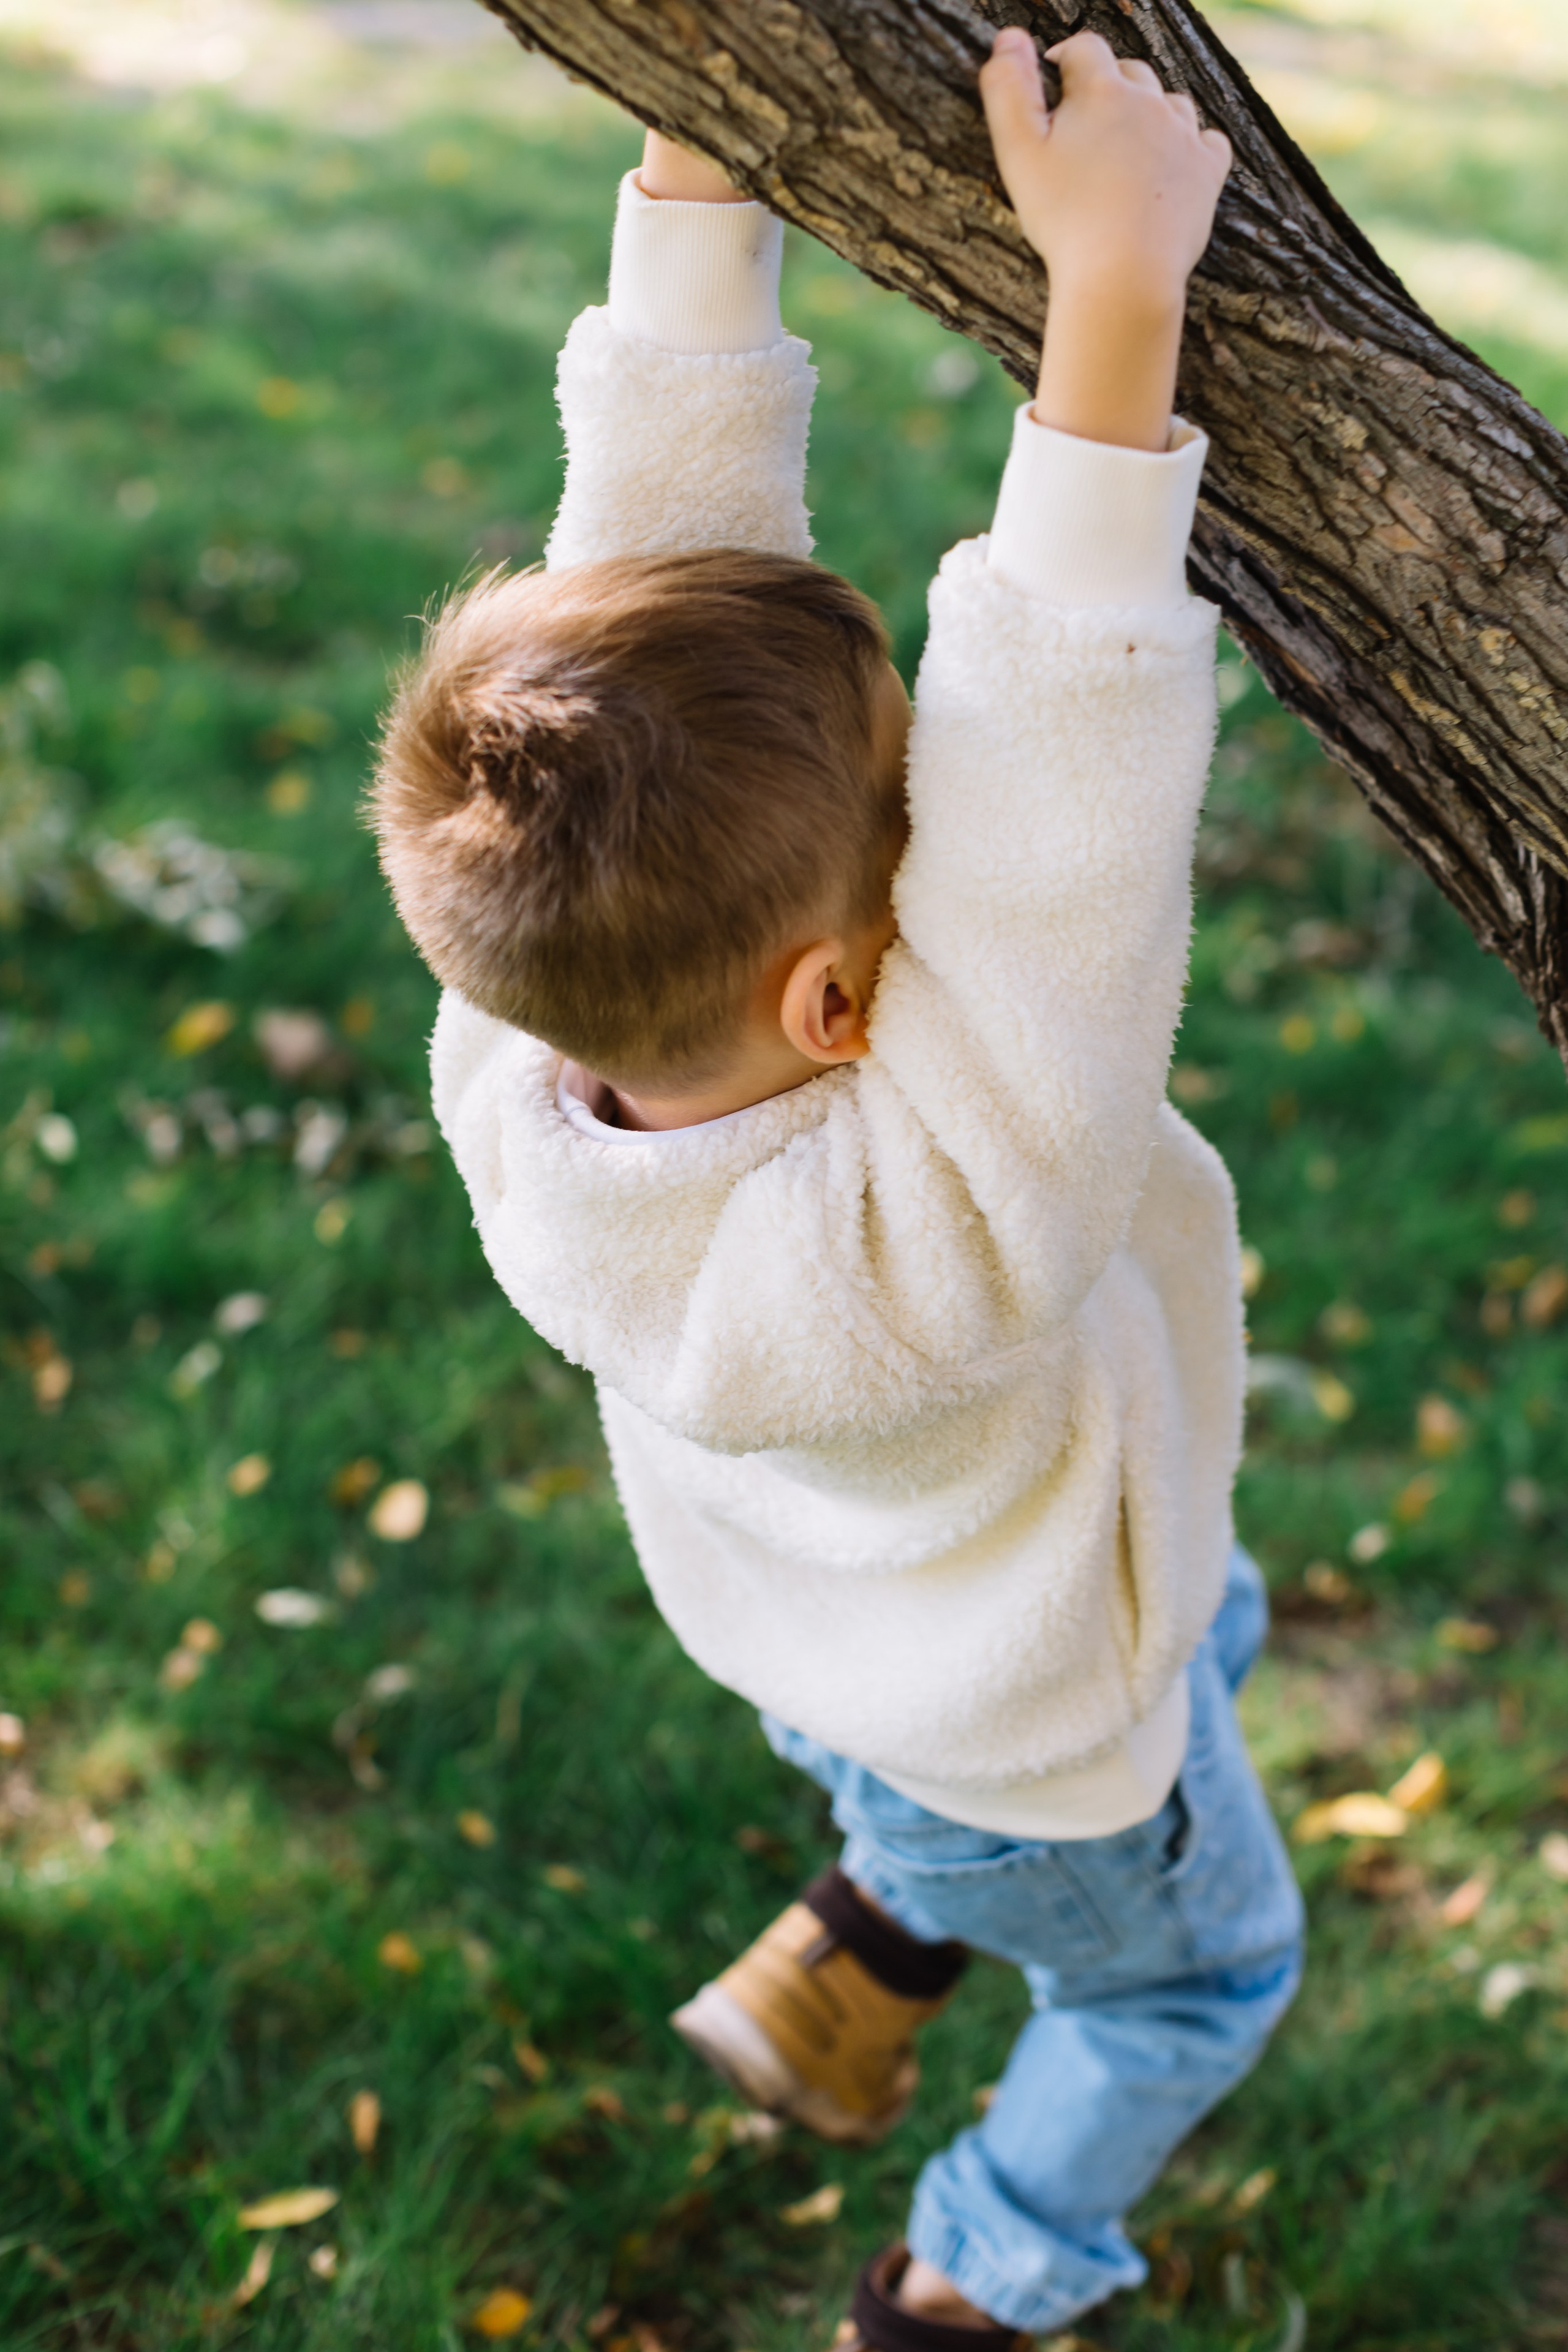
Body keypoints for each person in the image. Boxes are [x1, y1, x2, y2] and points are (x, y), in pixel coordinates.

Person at [371, 27, 1305, 2345]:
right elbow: (1066, 815)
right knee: (1195, 1981)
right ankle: (971, 2279)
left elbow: (641, 583)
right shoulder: (945, 1235)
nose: (943, 811)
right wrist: (1115, 299)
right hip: (1036, 1752)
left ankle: (864, 1937)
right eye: (914, 810)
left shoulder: (522, 1063)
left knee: (1219, 1612)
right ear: (831, 1002)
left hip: (849, 1657)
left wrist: (711, 131)